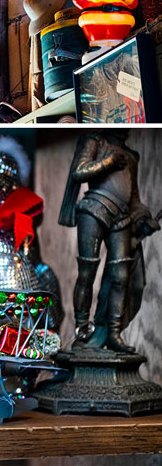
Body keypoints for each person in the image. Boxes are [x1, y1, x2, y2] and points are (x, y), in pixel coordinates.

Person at [59, 129, 159, 353]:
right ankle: (82, 329)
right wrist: (107, 162)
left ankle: (113, 332)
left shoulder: (131, 156)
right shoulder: (95, 140)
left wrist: (143, 219)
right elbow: (79, 171)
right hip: (94, 208)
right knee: (88, 271)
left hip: (122, 218)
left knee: (120, 276)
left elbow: (134, 199)